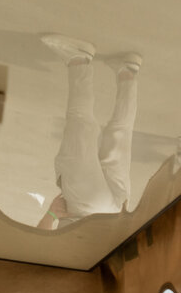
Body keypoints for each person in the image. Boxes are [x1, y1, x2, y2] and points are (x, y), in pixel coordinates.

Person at [38, 36, 142, 221]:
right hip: (84, 209)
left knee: (120, 133)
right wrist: (51, 215)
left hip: (116, 213)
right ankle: (78, 58)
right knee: (79, 123)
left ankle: (127, 71)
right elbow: (40, 236)